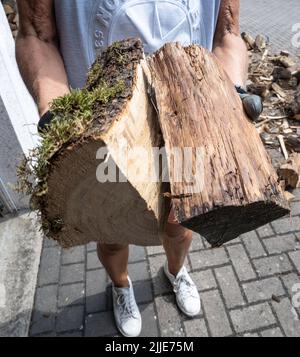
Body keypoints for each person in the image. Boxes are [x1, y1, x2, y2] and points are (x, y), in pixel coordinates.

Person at [16, 0, 262, 337]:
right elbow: (36, 34)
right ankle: (120, 286)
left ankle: (176, 273)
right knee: (112, 229)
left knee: (178, 222)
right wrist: (56, 113)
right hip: (106, 135)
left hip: (184, 125)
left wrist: (232, 92)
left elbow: (228, 32)